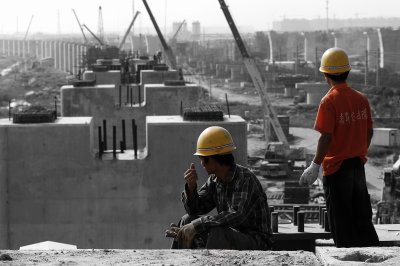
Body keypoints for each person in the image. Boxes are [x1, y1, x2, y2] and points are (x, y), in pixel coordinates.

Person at [299, 47, 379, 247]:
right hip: (357, 166)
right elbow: (369, 132)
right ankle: (372, 252)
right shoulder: (361, 98)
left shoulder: (329, 101)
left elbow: (326, 137)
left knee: (341, 221)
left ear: (326, 75)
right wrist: (358, 150)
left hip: (337, 169)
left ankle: (347, 257)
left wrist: (315, 165)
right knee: (362, 216)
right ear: (348, 72)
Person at [167, 126, 272, 249]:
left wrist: (198, 225)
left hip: (256, 241)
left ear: (214, 159)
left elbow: (237, 215)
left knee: (218, 232)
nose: (202, 164)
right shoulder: (214, 180)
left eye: (203, 160)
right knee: (187, 220)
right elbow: (195, 210)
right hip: (231, 236)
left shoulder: (245, 179)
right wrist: (191, 188)